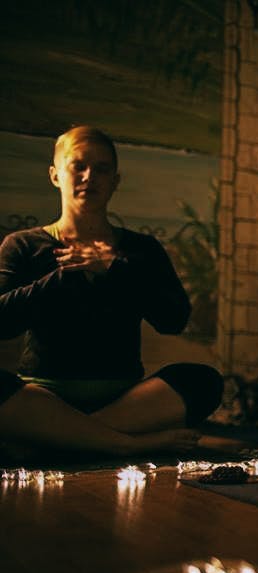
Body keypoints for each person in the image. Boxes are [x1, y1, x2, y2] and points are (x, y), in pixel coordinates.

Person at [0, 126, 223, 460]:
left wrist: (113, 269)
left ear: (115, 181)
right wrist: (61, 278)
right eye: (79, 166)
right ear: (55, 175)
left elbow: (174, 319)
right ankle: (124, 444)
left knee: (204, 381)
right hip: (44, 398)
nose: (90, 176)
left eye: (102, 169)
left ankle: (56, 441)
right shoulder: (22, 244)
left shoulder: (140, 249)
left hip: (126, 401)